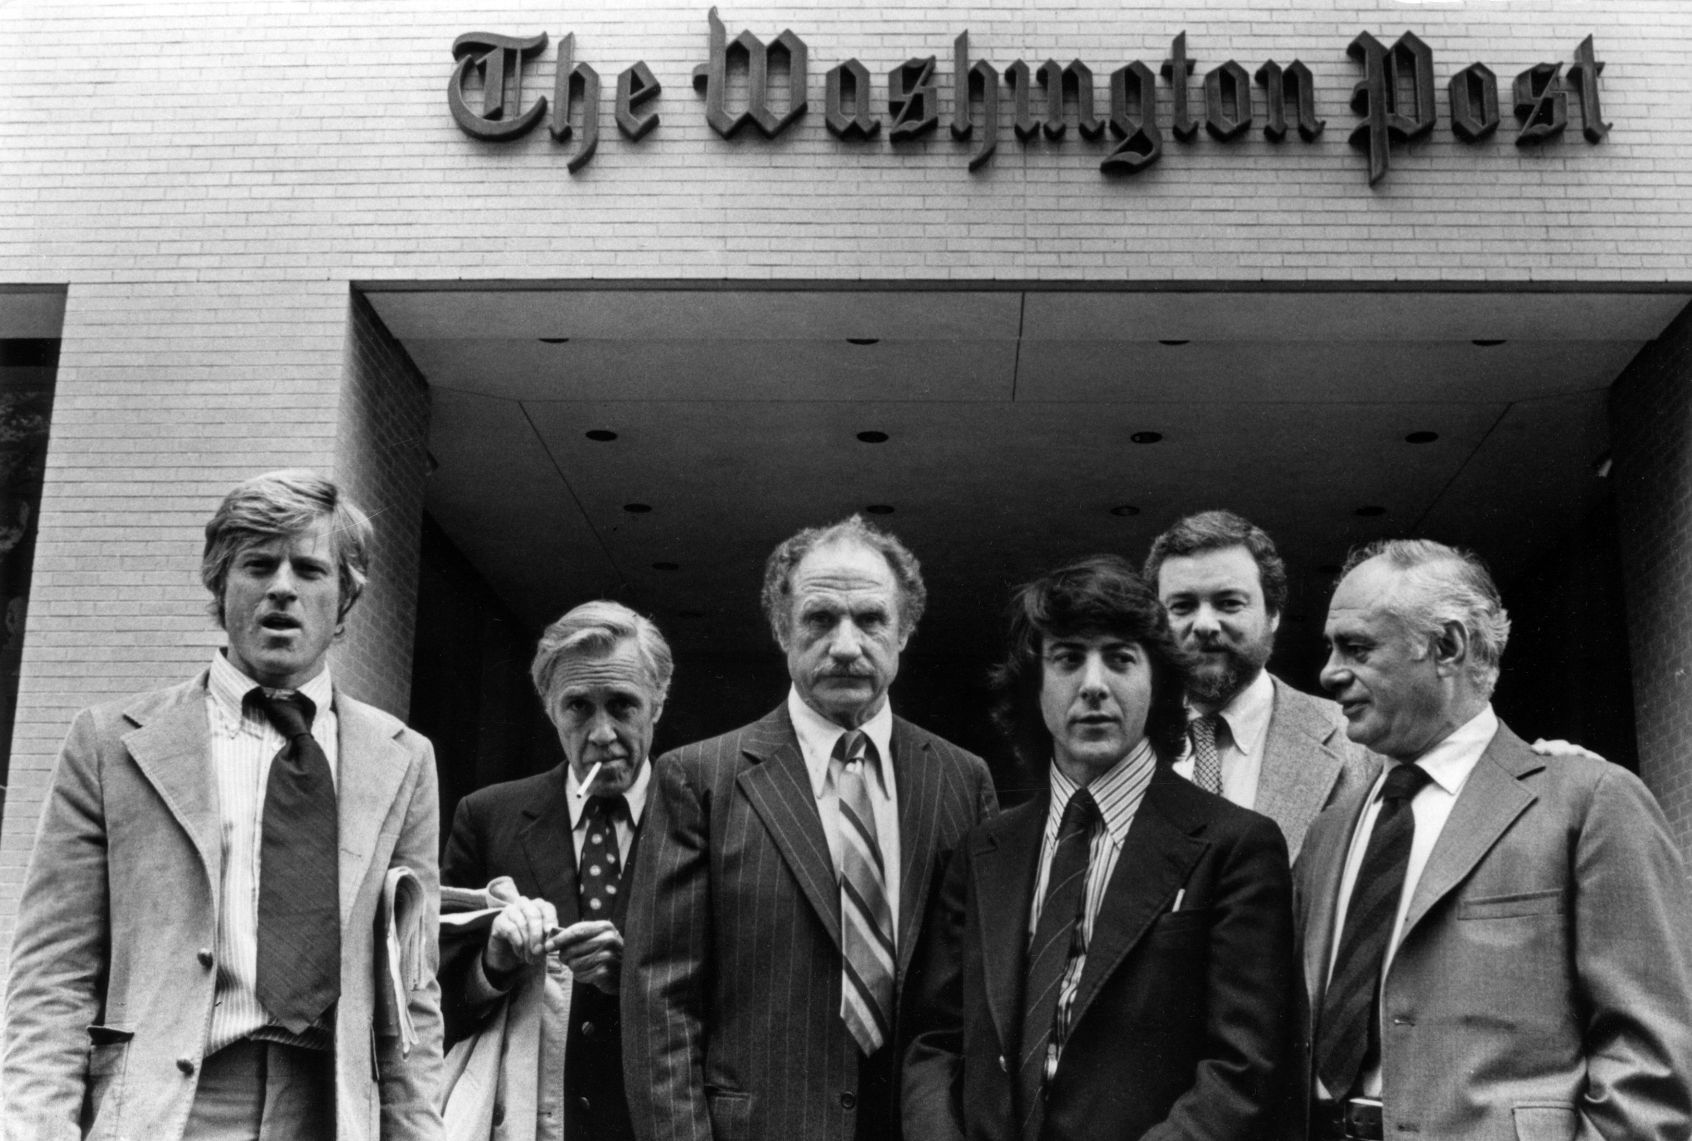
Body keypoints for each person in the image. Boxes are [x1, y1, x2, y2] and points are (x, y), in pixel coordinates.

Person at [2, 470, 443, 1140]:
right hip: (167, 1105)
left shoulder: (403, 760)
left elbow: (411, 991)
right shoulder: (112, 744)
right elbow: (52, 975)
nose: (282, 588)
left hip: (330, 1108)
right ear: (220, 582)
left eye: (311, 569)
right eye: (258, 565)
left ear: (347, 595)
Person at [1298, 539, 1692, 1140]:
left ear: (1447, 647)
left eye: (1356, 648)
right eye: (1331, 648)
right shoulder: (1329, 833)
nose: (1329, 673)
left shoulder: (1589, 801)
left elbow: (1653, 1060)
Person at [623, 515, 997, 1141]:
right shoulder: (699, 779)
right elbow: (661, 1001)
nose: (847, 645)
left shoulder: (962, 780)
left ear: (904, 631)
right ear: (781, 629)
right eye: (820, 619)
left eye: (872, 620)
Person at [903, 554, 1296, 1141]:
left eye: (1119, 658)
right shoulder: (984, 848)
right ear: (1035, 685)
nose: (1092, 685)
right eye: (1066, 659)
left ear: (1157, 681)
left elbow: (1244, 1071)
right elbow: (935, 1039)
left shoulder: (1237, 846)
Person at [439, 600, 673, 1141]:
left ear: (657, 703)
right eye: (578, 708)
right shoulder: (487, 816)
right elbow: (432, 1004)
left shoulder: (701, 819)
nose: (602, 733)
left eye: (622, 705)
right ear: (548, 708)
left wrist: (631, 976)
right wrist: (491, 964)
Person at [1145, 510, 1376, 860]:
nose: (1205, 624)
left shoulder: (1359, 744)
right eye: (1182, 606)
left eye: (1229, 603)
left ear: (1273, 614)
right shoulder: (1125, 744)